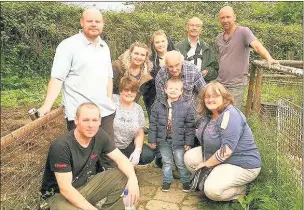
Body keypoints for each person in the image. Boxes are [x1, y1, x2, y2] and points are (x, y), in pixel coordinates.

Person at [40, 103, 140, 210]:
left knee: (125, 174)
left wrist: (133, 179)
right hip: (59, 196)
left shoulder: (100, 135)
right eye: (86, 120)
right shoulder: (61, 146)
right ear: (76, 120)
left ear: (100, 121)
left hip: (84, 187)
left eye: (94, 120)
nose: (91, 125)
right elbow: (65, 189)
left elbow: (121, 159)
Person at [37, 8, 115, 137]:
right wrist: (47, 105)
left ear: (102, 24)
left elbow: (109, 77)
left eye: (98, 21)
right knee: (81, 156)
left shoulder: (104, 46)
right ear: (82, 22)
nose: (94, 24)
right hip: (80, 117)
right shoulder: (68, 46)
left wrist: (109, 100)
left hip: (104, 113)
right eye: (90, 21)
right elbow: (57, 78)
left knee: (107, 155)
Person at [184, 82, 262, 201]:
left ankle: (241, 190)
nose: (210, 99)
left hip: (241, 164)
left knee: (212, 191)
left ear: (224, 98)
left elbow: (226, 151)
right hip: (220, 158)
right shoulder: (209, 114)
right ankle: (216, 178)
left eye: (215, 96)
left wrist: (206, 164)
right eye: (207, 96)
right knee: (189, 158)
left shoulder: (230, 115)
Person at [216, 6, 276, 109]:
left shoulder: (243, 32)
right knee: (218, 112)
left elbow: (257, 46)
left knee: (232, 114)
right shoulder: (218, 38)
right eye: (222, 18)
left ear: (234, 17)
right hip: (220, 83)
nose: (225, 20)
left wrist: (268, 57)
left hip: (235, 84)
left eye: (228, 17)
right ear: (219, 20)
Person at [149, 78, 195, 192]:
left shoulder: (186, 106)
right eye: (170, 88)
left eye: (176, 89)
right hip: (163, 140)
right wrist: (152, 140)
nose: (173, 90)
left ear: (181, 91)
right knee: (167, 161)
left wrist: (188, 142)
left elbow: (190, 126)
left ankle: (185, 181)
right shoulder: (158, 105)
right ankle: (167, 181)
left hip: (179, 141)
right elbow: (153, 124)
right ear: (165, 89)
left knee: (180, 162)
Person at [113, 76, 155, 165]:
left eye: (133, 91)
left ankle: (129, 162)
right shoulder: (112, 101)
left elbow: (139, 132)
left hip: (127, 145)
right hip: (110, 146)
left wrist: (137, 151)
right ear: (120, 91)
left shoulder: (138, 109)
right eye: (126, 90)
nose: (129, 93)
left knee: (147, 154)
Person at [175, 17, 219, 83]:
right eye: (192, 25)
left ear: (201, 29)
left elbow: (215, 69)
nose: (194, 28)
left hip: (203, 86)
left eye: (197, 26)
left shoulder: (207, 48)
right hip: (182, 86)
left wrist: (207, 72)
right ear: (187, 27)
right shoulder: (177, 47)